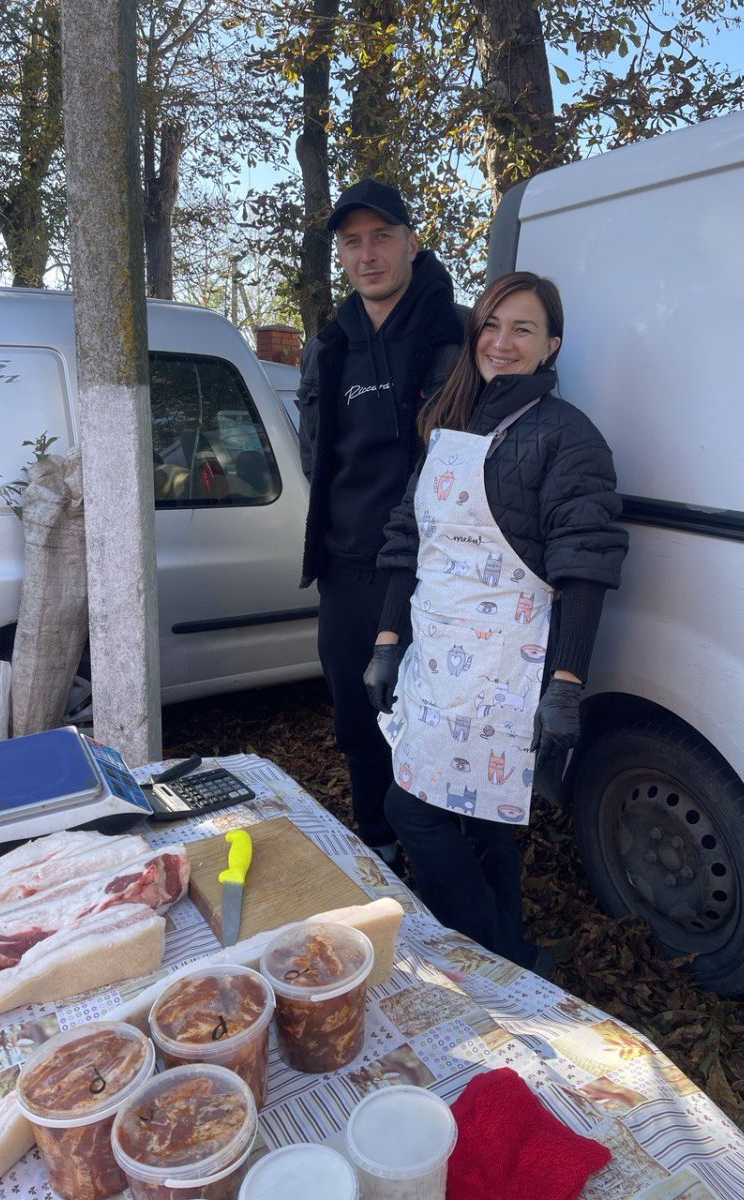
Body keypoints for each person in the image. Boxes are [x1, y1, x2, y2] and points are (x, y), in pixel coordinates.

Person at [363, 271, 627, 973]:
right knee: (480, 820)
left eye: (523, 329)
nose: (502, 342)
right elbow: (408, 537)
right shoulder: (450, 425)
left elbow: (585, 561)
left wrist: (567, 682)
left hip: (504, 665)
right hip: (434, 652)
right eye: (492, 325)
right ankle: (514, 955)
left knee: (412, 809)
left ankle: (490, 955)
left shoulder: (567, 436)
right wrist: (387, 641)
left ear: (551, 346)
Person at [297, 178, 466, 871]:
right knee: (357, 717)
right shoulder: (329, 344)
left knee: (433, 720)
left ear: (412, 242)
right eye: (352, 242)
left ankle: (443, 854)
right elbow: (316, 451)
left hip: (434, 572)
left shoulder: (457, 335)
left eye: (381, 237)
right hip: (347, 569)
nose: (367, 255)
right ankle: (379, 844)